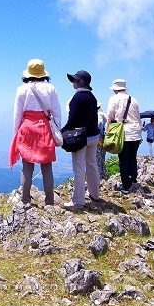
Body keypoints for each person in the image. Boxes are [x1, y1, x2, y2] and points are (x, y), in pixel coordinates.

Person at [10, 58, 62, 206]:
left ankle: (25, 201)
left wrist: (16, 133)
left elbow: (17, 114)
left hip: (27, 129)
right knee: (47, 168)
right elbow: (57, 112)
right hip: (44, 129)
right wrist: (56, 129)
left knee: (27, 168)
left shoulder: (21, 89)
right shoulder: (51, 89)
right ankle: (49, 202)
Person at [62, 70, 101, 209]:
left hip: (81, 138)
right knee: (92, 164)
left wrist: (62, 131)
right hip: (94, 135)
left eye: (74, 80)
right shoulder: (92, 97)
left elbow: (72, 120)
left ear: (78, 82)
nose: (73, 82)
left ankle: (78, 201)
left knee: (79, 168)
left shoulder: (77, 98)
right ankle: (95, 195)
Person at [106, 79, 142, 192]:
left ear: (115, 89)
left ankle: (126, 185)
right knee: (132, 157)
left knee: (123, 158)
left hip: (123, 132)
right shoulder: (134, 99)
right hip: (135, 131)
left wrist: (108, 131)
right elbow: (138, 117)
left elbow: (110, 116)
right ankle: (134, 180)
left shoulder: (114, 99)